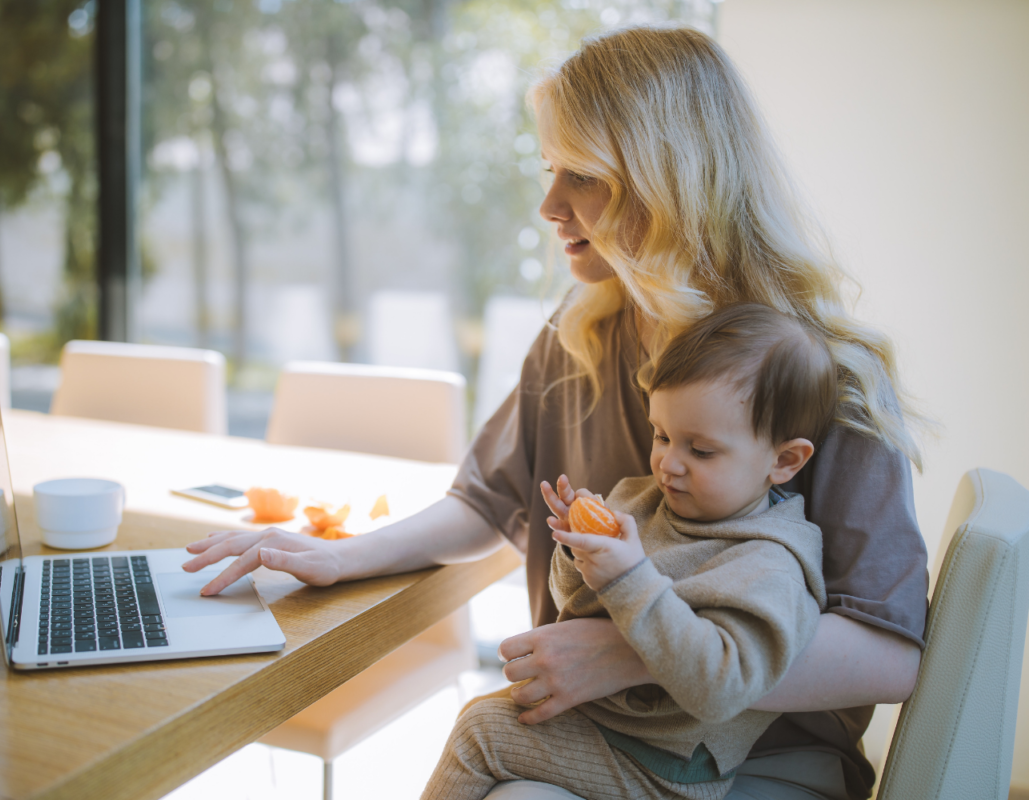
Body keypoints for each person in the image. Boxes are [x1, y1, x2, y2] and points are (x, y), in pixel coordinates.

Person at [183, 25, 928, 800]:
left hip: (763, 759)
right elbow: (486, 502)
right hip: (602, 728)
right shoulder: (581, 332)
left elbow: (890, 654)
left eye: (583, 176)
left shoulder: (821, 373)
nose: (548, 204)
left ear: (670, 181)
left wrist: (635, 650)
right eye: (549, 170)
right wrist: (342, 555)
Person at [421, 303, 836, 800]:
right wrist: (578, 550)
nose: (669, 464)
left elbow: (722, 687)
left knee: (480, 732)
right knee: (484, 714)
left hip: (668, 765)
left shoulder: (769, 561)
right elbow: (575, 607)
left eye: (700, 450)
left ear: (785, 460)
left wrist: (630, 576)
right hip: (610, 725)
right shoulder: (645, 500)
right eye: (661, 435)